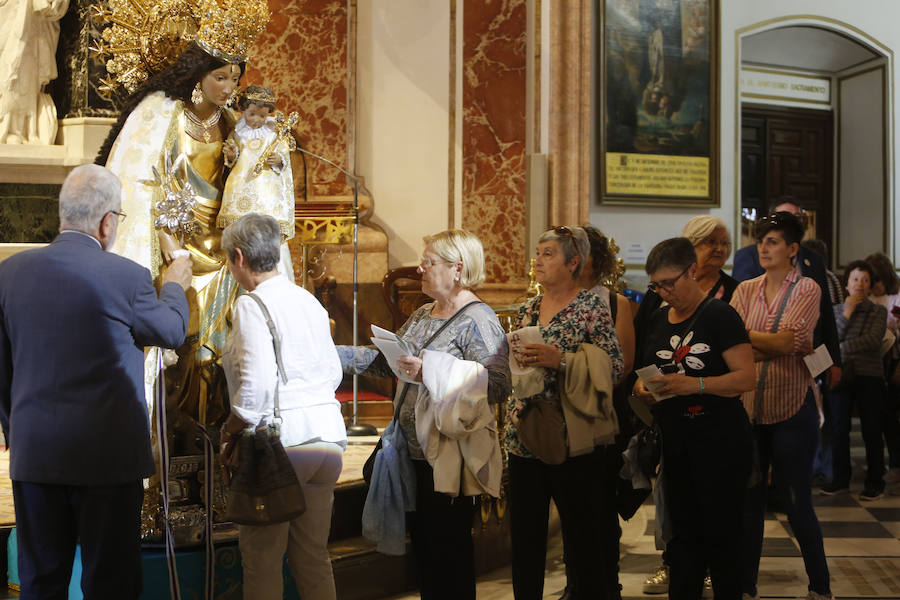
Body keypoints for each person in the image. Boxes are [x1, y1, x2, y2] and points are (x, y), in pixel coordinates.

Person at [0, 164, 192, 598]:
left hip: (36, 456)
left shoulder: (10, 274)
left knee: (42, 581)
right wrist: (176, 283)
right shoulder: (127, 277)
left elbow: (2, 366)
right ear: (108, 222)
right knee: (110, 584)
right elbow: (170, 331)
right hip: (107, 460)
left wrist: (17, 428)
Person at [337, 229, 510, 600]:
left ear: (457, 269)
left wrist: (432, 368)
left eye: (429, 262)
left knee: (450, 557)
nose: (420, 268)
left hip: (447, 454)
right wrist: (330, 355)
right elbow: (388, 365)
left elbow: (498, 384)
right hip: (411, 452)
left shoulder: (478, 320)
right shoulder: (421, 314)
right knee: (426, 558)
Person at [95, 39, 248, 431]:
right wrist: (171, 249)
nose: (230, 87)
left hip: (224, 252)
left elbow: (245, 188)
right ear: (198, 75)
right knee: (183, 349)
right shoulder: (165, 117)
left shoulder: (233, 125)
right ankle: (169, 442)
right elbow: (146, 184)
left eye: (235, 77)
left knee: (222, 352)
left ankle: (210, 442)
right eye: (220, 77)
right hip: (175, 248)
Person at [218, 214, 346, 600]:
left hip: (283, 446)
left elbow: (256, 386)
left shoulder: (252, 305)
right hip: (327, 441)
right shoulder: (306, 299)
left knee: (262, 561)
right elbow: (334, 371)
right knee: (312, 556)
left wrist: (229, 429)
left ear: (239, 257)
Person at [632, 237, 755, 599]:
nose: (664, 292)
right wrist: (646, 389)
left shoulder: (719, 315)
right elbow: (649, 374)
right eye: (657, 285)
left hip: (720, 443)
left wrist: (694, 385)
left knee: (721, 543)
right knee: (682, 542)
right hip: (677, 443)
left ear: (693, 271)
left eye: (670, 283)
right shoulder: (657, 317)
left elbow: (745, 378)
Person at [506, 226, 624, 600]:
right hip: (524, 434)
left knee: (583, 539)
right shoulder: (527, 308)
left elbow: (616, 367)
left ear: (574, 262)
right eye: (537, 253)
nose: (537, 261)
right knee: (525, 540)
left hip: (572, 438)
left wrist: (564, 361)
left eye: (548, 254)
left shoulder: (591, 307)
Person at [730, 211, 832, 600]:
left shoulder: (806, 289)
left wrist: (749, 341)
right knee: (749, 504)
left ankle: (820, 588)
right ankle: (745, 587)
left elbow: (791, 341)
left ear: (792, 249)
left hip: (793, 407)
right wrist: (760, 344)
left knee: (797, 503)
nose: (764, 248)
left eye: (772, 242)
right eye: (761, 241)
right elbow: (734, 348)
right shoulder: (745, 290)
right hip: (749, 407)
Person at [732, 197, 842, 390]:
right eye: (784, 217)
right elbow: (731, 334)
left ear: (792, 248)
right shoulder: (748, 263)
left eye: (796, 217)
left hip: (800, 373)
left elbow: (825, 313)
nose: (764, 249)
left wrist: (834, 358)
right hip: (753, 379)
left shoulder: (813, 261)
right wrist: (781, 346)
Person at [820, 260, 888, 500]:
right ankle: (840, 479)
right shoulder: (835, 310)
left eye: (865, 280)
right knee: (838, 428)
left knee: (871, 429)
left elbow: (871, 341)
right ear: (846, 284)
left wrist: (839, 348)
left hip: (869, 376)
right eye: (855, 279)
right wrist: (847, 312)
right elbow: (830, 340)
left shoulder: (878, 311)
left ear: (870, 286)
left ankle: (875, 481)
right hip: (840, 375)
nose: (860, 284)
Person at [218, 85, 295, 278]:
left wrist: (279, 160)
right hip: (242, 185)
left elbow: (284, 153)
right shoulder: (237, 131)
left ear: (269, 113)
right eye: (251, 114)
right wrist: (230, 155)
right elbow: (232, 157)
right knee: (240, 235)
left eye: (262, 115)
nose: (256, 120)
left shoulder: (274, 132)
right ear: (243, 110)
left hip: (266, 192)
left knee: (265, 232)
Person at [865, 251, 900, 489]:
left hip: (895, 363)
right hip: (874, 365)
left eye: (876, 280)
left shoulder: (896, 298)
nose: (873, 286)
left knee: (894, 416)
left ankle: (897, 463)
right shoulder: (866, 299)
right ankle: (887, 464)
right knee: (881, 418)